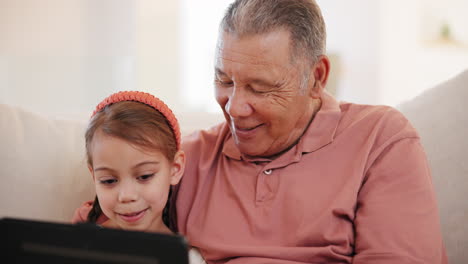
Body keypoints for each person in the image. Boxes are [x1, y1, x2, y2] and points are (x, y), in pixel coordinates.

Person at [169, 0, 448, 263]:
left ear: (317, 78)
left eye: (260, 87)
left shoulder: (380, 140)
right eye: (224, 80)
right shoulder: (186, 159)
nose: (234, 107)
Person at [71, 91, 206, 264]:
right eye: (109, 181)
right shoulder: (79, 245)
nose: (126, 196)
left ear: (175, 169)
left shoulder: (188, 259)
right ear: (94, 177)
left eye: (144, 176)